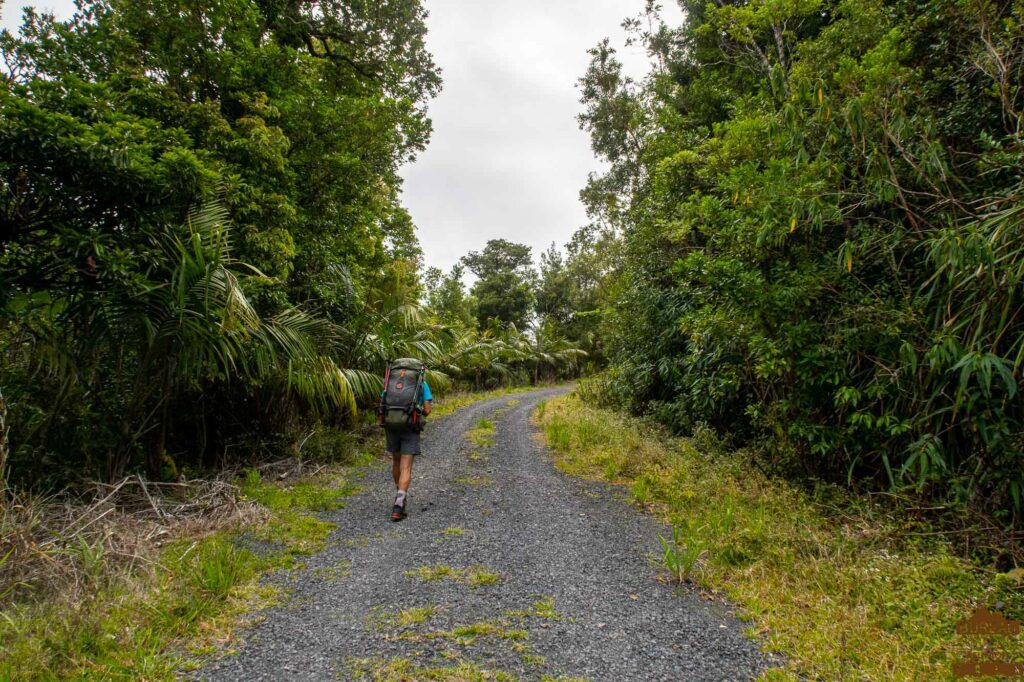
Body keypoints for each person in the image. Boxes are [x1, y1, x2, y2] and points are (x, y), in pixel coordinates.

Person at [384, 376, 431, 521]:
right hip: (410, 426)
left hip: (391, 426)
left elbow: (382, 403)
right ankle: (399, 504)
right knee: (406, 467)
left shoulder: (390, 383)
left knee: (396, 462)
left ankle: (400, 495)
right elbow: (427, 410)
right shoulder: (421, 383)